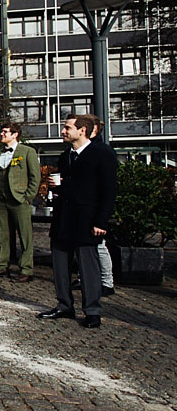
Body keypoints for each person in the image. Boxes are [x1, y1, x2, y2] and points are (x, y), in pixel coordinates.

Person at [39, 114, 117, 329]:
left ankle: (92, 310)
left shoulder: (102, 154)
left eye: (67, 128)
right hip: (64, 218)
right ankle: (64, 305)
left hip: (87, 220)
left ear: (82, 130)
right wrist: (57, 188)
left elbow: (108, 191)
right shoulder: (66, 156)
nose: (63, 131)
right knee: (60, 265)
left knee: (88, 267)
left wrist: (101, 221)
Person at [0, 121, 41, 282]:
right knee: (3, 234)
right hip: (0, 200)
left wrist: (28, 197)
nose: (2, 134)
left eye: (5, 132)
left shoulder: (27, 152)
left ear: (15, 134)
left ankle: (26, 270)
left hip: (19, 200)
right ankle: (2, 266)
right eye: (1, 131)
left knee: (25, 236)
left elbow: (35, 177)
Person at [88, 116, 115, 296]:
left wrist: (102, 218)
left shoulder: (102, 151)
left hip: (95, 207)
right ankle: (88, 277)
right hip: (86, 206)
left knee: (99, 245)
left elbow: (108, 187)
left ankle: (107, 282)